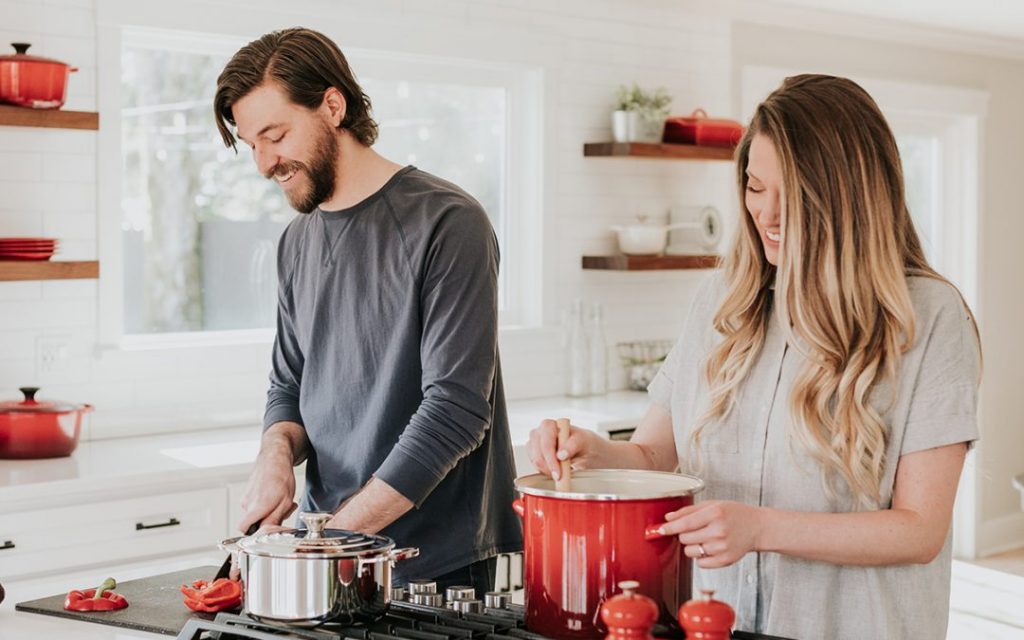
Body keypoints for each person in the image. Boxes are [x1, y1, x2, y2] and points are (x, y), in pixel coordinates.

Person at [528, 74, 980, 639]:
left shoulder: (929, 316)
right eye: (754, 187)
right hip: (718, 624)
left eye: (793, 195)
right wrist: (590, 452)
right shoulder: (722, 301)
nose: (766, 215)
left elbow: (919, 530)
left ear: (851, 197)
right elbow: (654, 455)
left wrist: (760, 528)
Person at [214, 27, 522, 593]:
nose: (263, 163)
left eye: (274, 135)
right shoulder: (296, 241)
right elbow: (289, 386)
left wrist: (329, 543)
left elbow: (456, 410)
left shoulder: (448, 222)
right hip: (325, 546)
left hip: (432, 563)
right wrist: (275, 456)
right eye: (250, 143)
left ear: (333, 105)